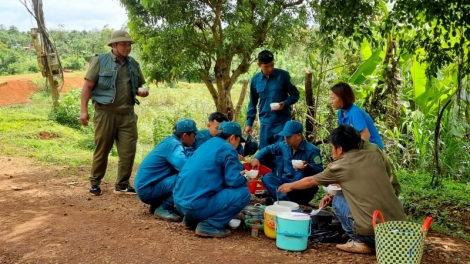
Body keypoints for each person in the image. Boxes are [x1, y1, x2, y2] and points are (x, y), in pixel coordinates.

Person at [278, 125, 406, 254]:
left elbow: (311, 181)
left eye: (332, 147)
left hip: (373, 235)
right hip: (400, 232)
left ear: (339, 149)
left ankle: (358, 241)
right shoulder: (375, 156)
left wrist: (290, 185)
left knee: (338, 200)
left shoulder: (340, 165)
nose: (332, 151)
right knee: (342, 196)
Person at [80, 30, 148, 196]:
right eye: (124, 44)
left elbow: (140, 86)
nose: (127, 47)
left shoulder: (133, 64)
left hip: (127, 114)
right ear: (114, 45)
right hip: (105, 113)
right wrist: (83, 111)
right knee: (102, 149)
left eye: (129, 44)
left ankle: (122, 184)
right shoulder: (100, 61)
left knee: (128, 150)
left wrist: (142, 91)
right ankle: (95, 182)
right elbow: (87, 86)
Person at [173, 122, 251, 238]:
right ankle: (210, 225)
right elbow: (233, 181)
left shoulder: (207, 144)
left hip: (179, 202)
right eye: (239, 140)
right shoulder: (228, 149)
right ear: (232, 138)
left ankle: (190, 220)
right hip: (193, 207)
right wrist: (246, 179)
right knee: (243, 194)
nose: (238, 144)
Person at [245, 50, 300, 174]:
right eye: (266, 66)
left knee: (282, 154)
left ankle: (281, 181)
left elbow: (295, 95)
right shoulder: (255, 81)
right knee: (264, 154)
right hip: (265, 124)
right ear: (259, 65)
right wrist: (249, 122)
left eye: (272, 65)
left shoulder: (283, 76)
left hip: (282, 123)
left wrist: (284, 103)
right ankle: (267, 183)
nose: (270, 68)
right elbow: (252, 103)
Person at [134, 119, 199, 222]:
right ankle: (164, 208)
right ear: (185, 135)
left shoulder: (169, 142)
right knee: (186, 177)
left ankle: (157, 205)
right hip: (148, 190)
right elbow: (186, 168)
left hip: (145, 187)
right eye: (193, 135)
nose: (195, 138)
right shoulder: (174, 146)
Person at [251, 121, 323, 205]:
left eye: (288, 136)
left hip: (302, 187)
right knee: (267, 177)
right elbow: (268, 149)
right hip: (285, 182)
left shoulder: (312, 150)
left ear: (298, 135)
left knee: (301, 174)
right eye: (285, 136)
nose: (286, 138)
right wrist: (256, 158)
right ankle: (284, 200)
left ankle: (283, 199)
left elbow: (320, 171)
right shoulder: (284, 146)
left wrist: (307, 167)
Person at [330, 82, 384, 149]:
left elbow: (366, 136)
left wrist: (356, 153)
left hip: (372, 149)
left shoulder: (355, 113)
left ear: (343, 98)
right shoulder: (340, 113)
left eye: (333, 99)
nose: (331, 102)